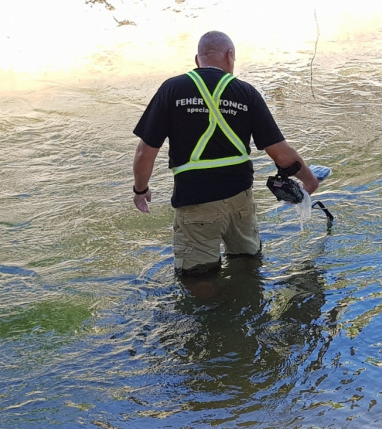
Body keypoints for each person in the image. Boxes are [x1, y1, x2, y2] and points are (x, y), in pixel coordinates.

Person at [132, 30, 319, 276]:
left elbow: (145, 152)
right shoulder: (246, 92)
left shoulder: (172, 89)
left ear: (197, 60)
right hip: (239, 201)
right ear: (230, 55)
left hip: (195, 202)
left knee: (198, 280)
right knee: (248, 270)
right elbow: (282, 154)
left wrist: (141, 189)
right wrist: (309, 180)